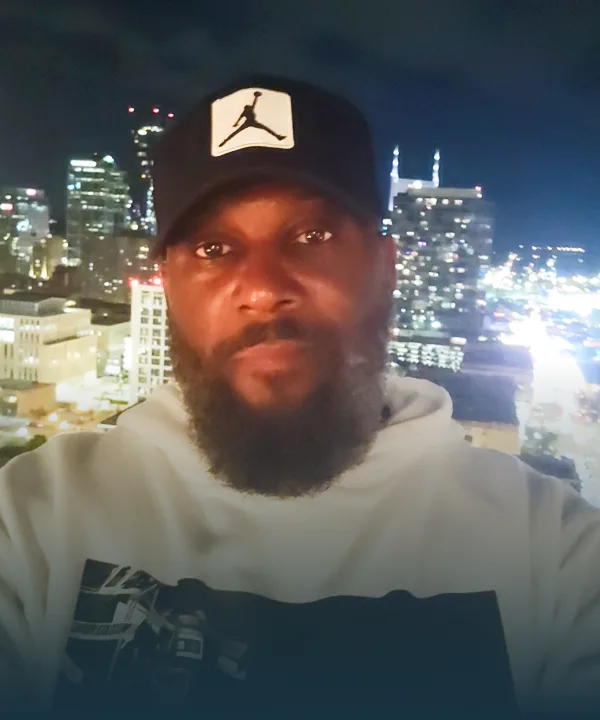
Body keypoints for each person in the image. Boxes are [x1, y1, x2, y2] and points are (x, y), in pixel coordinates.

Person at [0, 76, 598, 718]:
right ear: (167, 285)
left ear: (386, 266)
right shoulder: (35, 521)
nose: (262, 288)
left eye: (312, 237)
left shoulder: (552, 554)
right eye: (214, 248)